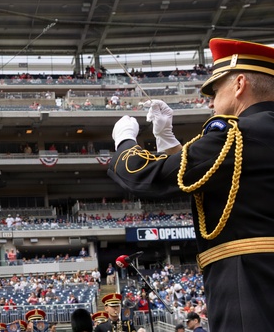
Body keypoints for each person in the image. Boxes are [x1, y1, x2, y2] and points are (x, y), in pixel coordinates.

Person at [108, 38, 274, 332]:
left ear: (238, 84)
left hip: (248, 283)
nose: (210, 101)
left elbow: (141, 176)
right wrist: (169, 141)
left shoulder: (236, 135)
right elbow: (221, 179)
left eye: (214, 89)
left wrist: (124, 140)